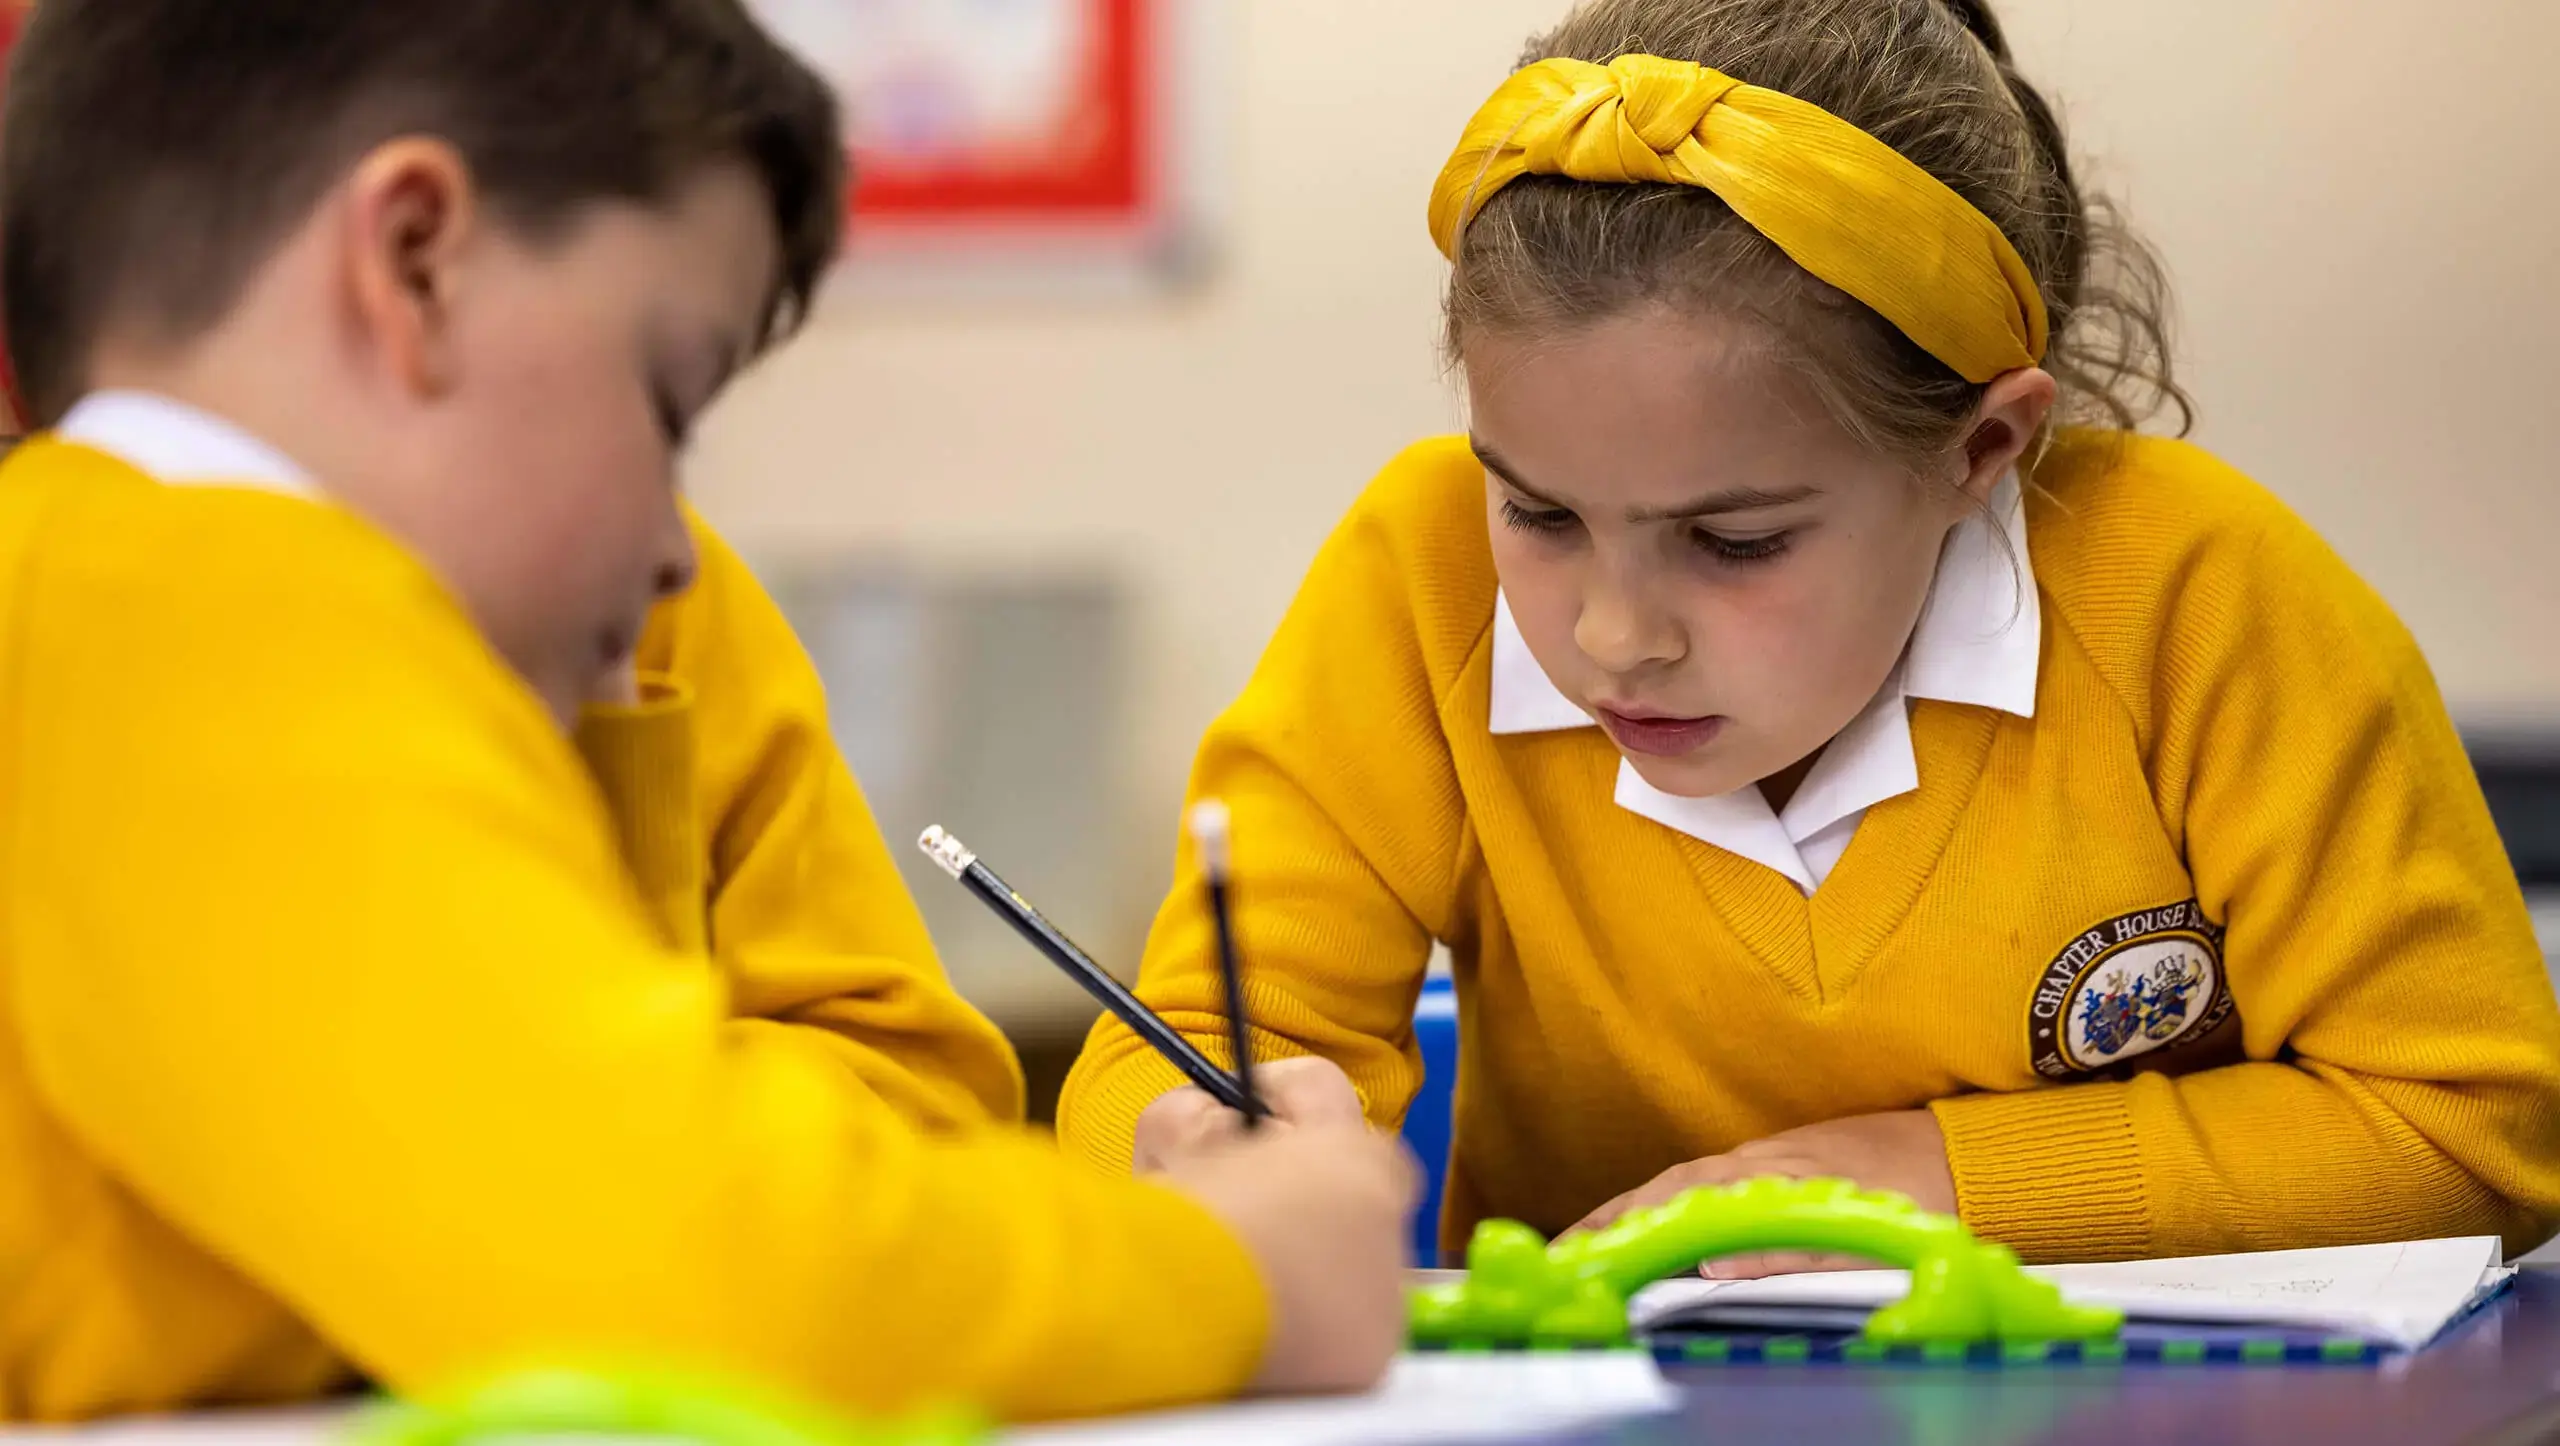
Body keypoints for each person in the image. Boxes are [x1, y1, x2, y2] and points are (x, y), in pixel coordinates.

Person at [0, 0, 1410, 1423]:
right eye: (670, 397)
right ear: (416, 261)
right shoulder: (194, 600)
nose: (680, 546)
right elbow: (701, 1270)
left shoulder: (108, 594)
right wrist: (1244, 1272)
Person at [1061, 0, 2560, 1274]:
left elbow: (2474, 1122)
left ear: (1980, 446)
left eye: (1736, 541)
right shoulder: (1420, 571)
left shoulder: (2198, 599)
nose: (1616, 633)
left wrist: (1917, 1178)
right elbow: (1178, 1035)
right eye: (1539, 512)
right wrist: (1190, 1126)